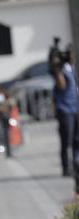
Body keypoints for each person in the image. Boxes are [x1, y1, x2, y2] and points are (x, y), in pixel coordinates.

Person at [51, 45, 78, 183]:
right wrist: (57, 66)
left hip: (74, 109)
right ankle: (66, 167)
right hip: (65, 110)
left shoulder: (70, 68)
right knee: (66, 141)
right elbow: (61, 85)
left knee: (76, 140)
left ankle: (75, 165)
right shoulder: (60, 70)